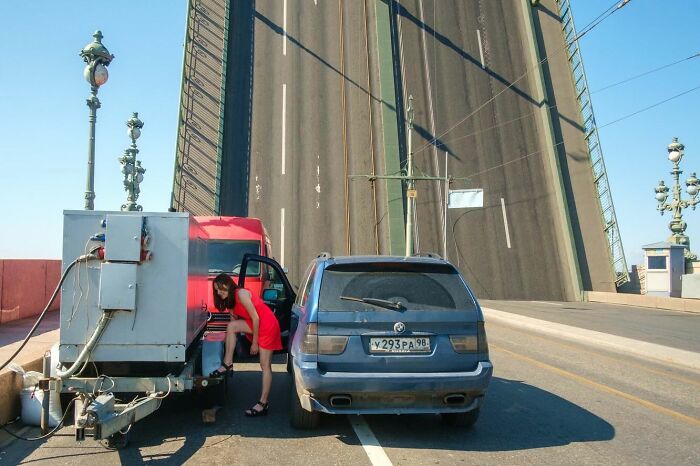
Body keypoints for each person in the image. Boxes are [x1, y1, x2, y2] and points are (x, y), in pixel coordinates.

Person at [211, 273, 283, 417]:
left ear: (228, 285)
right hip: (256, 323)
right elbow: (234, 322)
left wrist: (254, 343)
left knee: (264, 365)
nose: (218, 292)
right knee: (231, 326)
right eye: (216, 290)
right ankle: (227, 364)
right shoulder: (229, 301)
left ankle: (263, 404)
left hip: (267, 324)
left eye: (220, 289)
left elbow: (256, 317)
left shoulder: (241, 294)